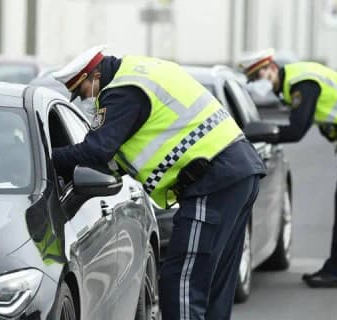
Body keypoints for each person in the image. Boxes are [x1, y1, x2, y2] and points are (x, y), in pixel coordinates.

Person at [51, 45, 266, 319]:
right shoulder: (144, 71)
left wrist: (47, 157)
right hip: (237, 171)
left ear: (93, 75)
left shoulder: (121, 91)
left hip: (212, 180)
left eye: (82, 90)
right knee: (214, 283)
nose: (85, 98)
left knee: (181, 282)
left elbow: (96, 150)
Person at [239, 48, 337, 288]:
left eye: (259, 75)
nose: (257, 83)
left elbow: (296, 131)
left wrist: (260, 134)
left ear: (272, 68)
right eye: (252, 79)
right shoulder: (292, 83)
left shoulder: (301, 83)